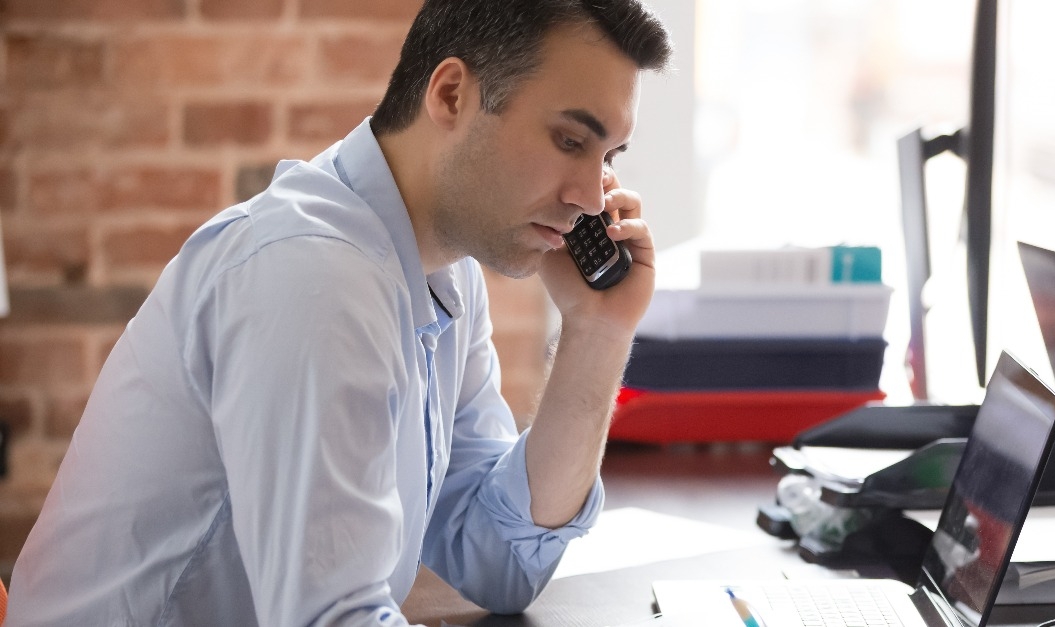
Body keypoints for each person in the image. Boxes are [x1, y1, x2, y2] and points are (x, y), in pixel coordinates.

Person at [7, 1, 672, 624]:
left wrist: (598, 329)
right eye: (568, 140)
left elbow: (497, 557)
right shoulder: (312, 278)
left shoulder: (444, 269)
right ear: (450, 95)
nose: (590, 197)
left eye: (608, 156)